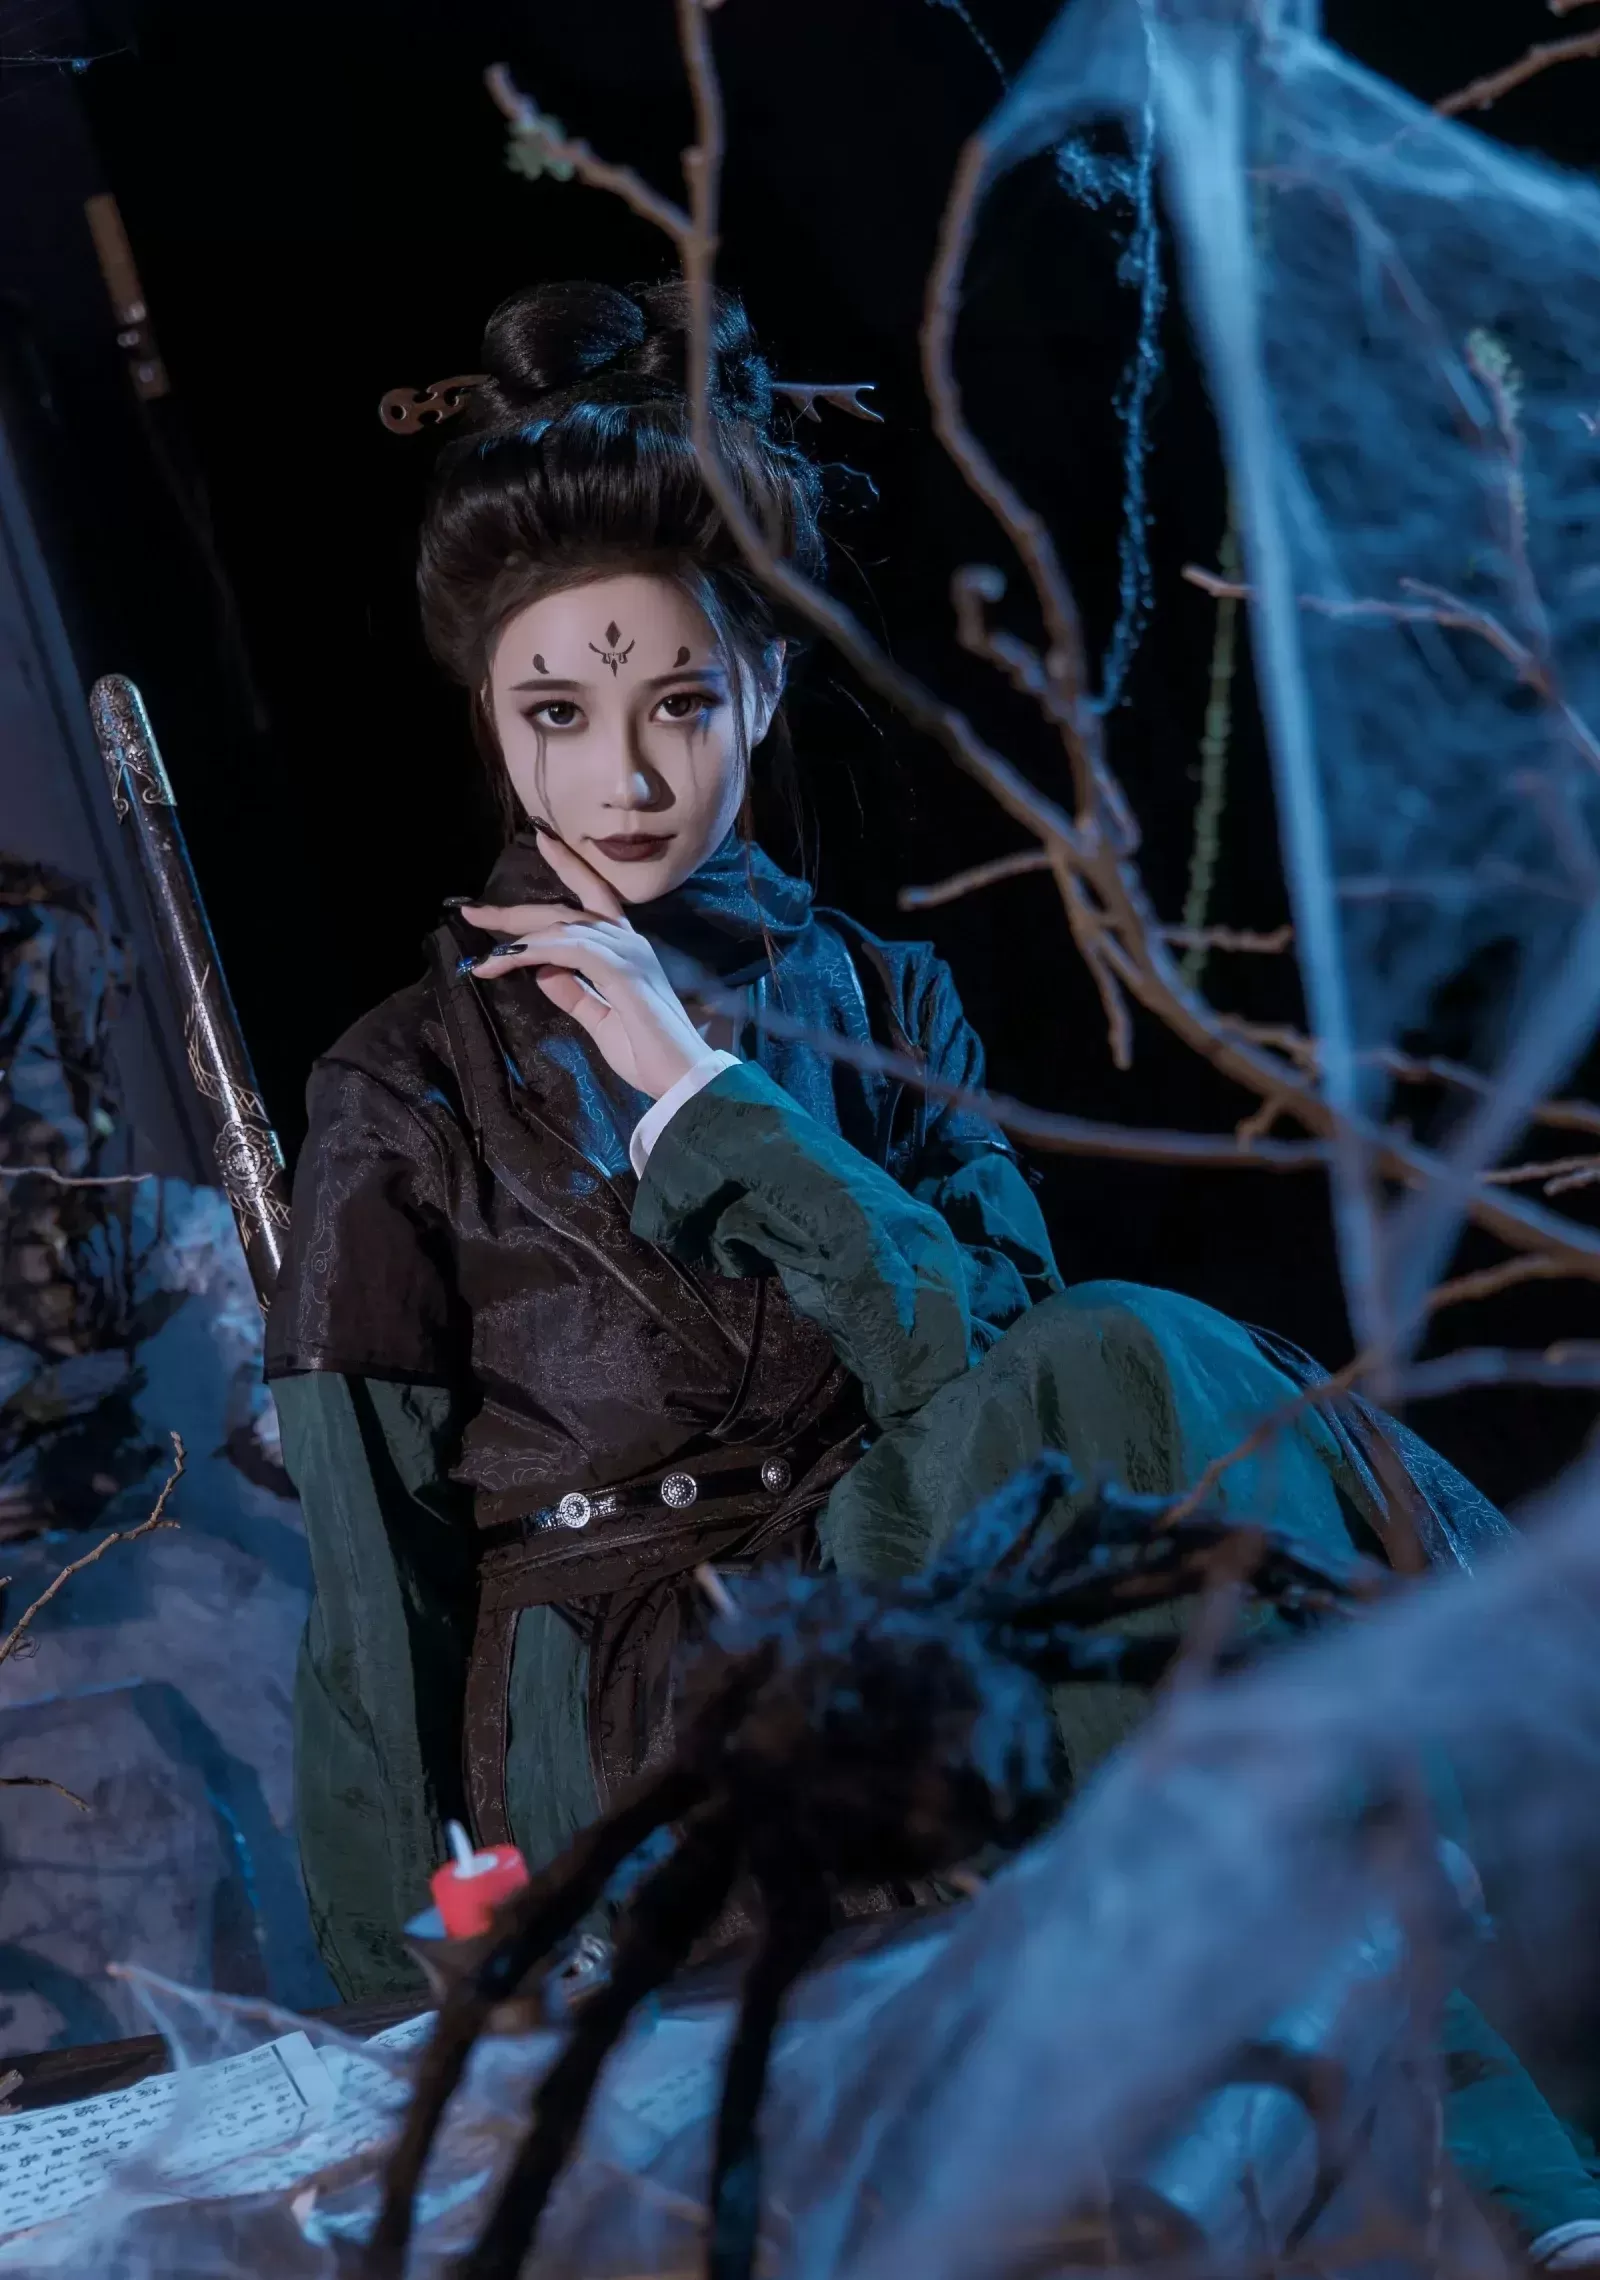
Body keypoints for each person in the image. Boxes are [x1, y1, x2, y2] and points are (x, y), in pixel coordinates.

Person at [264, 278, 1600, 2259]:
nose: (625, 778)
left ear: (764, 692)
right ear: (492, 722)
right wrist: (407, 2001)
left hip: (889, 1572)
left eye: (679, 704)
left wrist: (713, 1102)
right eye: (558, 715)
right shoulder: (400, 1081)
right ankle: (1514, 2154)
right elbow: (371, 1579)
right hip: (632, 1700)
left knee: (1152, 1433)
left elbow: (983, 1382)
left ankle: (1485, 2157)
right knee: (1155, 1436)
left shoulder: (886, 1000)